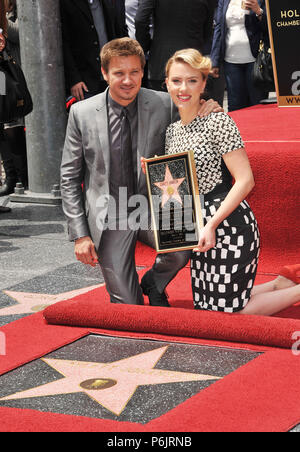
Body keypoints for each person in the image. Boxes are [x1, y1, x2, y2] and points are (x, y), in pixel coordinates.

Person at [60, 37, 221, 307]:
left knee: (181, 249)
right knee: (128, 308)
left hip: (152, 205)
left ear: (143, 72)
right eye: (119, 73)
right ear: (104, 73)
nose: (128, 80)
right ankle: (132, 291)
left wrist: (208, 107)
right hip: (109, 213)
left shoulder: (163, 103)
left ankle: (154, 282)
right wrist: (80, 234)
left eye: (134, 72)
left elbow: (190, 110)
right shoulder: (81, 113)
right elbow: (68, 178)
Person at [161, 47, 300, 316]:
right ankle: (278, 284)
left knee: (230, 312)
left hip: (229, 227)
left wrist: (211, 225)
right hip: (199, 229)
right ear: (166, 83)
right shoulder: (172, 131)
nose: (183, 88)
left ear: (203, 83)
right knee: (208, 306)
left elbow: (245, 180)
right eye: (177, 80)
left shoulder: (218, 121)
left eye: (192, 80)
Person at [135, 0, 215, 92]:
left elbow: (140, 20)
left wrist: (146, 45)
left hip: (161, 61)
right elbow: (208, 31)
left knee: (161, 104)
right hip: (192, 61)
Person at [60, 0, 128, 101]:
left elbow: (120, 32)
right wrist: (74, 79)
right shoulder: (67, 3)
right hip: (85, 82)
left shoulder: (109, 3)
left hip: (113, 76)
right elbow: (64, 43)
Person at [210, 0, 269, 112]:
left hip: (255, 59)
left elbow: (269, 28)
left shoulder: (259, 1)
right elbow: (219, 28)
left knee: (257, 104)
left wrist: (258, 11)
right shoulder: (223, 1)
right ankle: (238, 129)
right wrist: (215, 60)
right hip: (230, 60)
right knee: (235, 106)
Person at [0, 0, 28, 197]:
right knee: (4, 122)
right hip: (4, 74)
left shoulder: (21, 9)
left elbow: (20, 33)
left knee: (7, 119)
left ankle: (17, 177)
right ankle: (11, 177)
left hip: (9, 74)